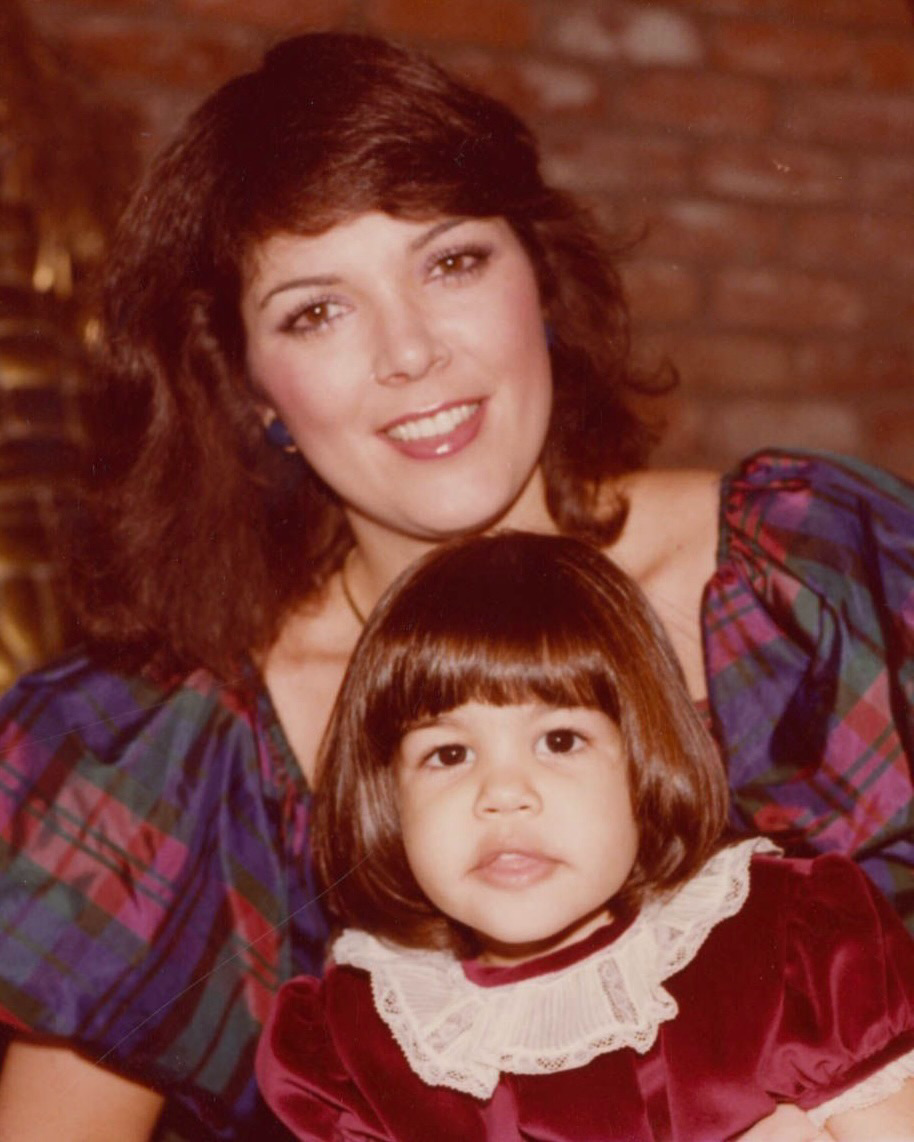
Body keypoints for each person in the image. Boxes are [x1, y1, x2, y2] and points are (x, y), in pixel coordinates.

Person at [0, 28, 912, 1142]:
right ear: (248, 389)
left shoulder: (808, 580)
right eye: (316, 310)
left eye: (451, 262)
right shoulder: (180, 758)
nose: (410, 352)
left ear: (539, 278)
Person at [257, 531, 914, 1141]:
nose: (503, 793)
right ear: (389, 799)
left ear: (645, 761)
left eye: (560, 740)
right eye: (449, 754)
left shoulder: (789, 947)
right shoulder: (358, 1050)